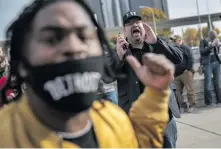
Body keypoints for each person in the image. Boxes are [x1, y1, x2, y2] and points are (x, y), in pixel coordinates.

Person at [0, 0, 174, 148]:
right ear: (22, 61)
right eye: (52, 39)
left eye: (84, 36)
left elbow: (137, 142)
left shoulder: (113, 119)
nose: (74, 48)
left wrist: (155, 96)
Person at [111, 11, 183, 148]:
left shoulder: (156, 43)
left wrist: (157, 42)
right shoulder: (120, 51)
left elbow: (178, 58)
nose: (134, 25)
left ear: (144, 26)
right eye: (129, 24)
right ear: (124, 31)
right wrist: (119, 58)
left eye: (137, 22)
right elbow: (107, 77)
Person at [171, 35, 196, 113]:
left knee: (190, 90)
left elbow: (191, 58)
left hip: (185, 72)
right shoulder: (172, 49)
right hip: (176, 75)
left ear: (179, 40)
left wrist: (188, 69)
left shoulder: (186, 48)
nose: (173, 42)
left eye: (175, 40)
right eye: (172, 41)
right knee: (177, 92)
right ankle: (183, 106)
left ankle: (192, 105)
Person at [200, 30, 221, 106]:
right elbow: (202, 51)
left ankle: (219, 101)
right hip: (207, 64)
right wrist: (211, 45)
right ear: (209, 36)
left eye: (214, 38)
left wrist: (217, 46)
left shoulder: (215, 40)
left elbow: (217, 52)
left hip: (217, 63)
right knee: (208, 83)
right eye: (212, 38)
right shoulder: (203, 41)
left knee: (218, 83)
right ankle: (209, 102)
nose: (213, 39)